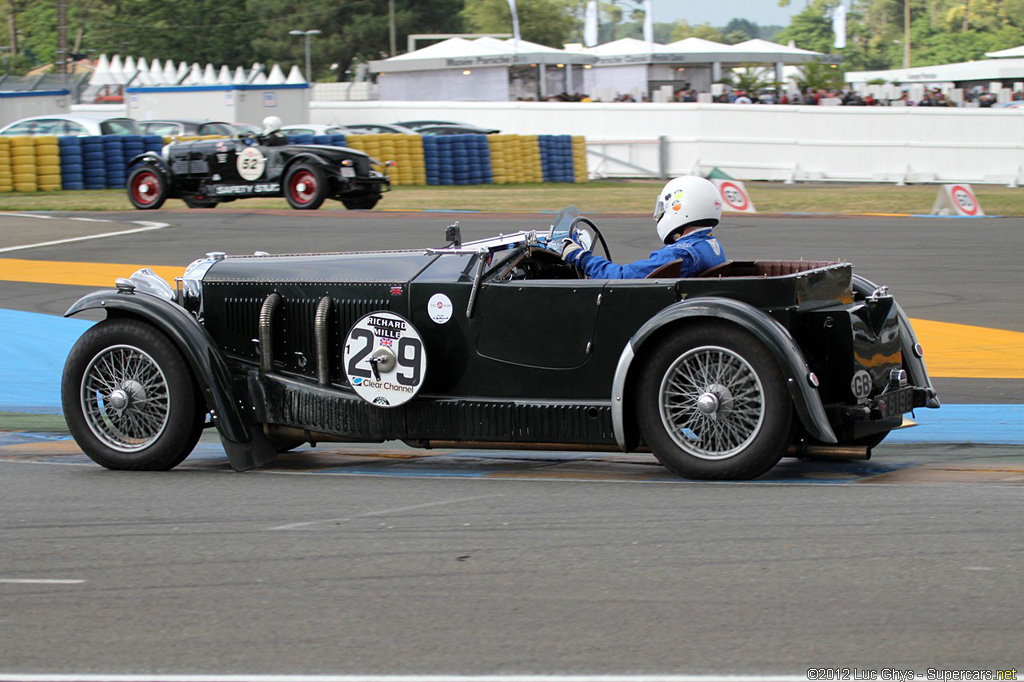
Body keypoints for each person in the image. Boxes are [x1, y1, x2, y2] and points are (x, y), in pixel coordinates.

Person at [559, 175, 726, 279]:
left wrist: (582, 257)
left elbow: (620, 277)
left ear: (679, 207)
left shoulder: (681, 253)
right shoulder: (711, 247)